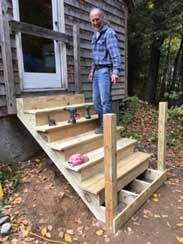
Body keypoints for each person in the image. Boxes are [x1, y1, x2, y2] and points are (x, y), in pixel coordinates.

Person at [88, 8, 122, 134]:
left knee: (105, 100)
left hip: (104, 71)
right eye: (93, 20)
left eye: (97, 19)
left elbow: (115, 54)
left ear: (102, 18)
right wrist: (92, 70)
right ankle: (102, 123)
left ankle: (106, 127)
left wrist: (115, 71)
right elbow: (94, 56)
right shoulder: (94, 35)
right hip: (96, 72)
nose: (95, 22)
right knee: (96, 101)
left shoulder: (109, 33)